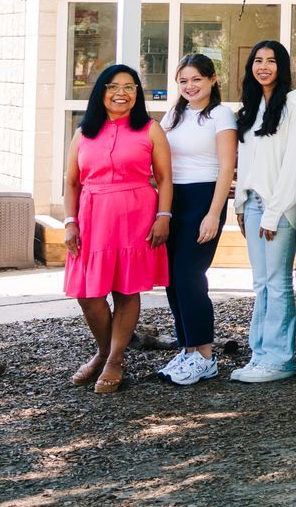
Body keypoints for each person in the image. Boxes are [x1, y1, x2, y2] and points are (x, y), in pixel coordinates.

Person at [63, 64, 172, 394]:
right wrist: (70, 222)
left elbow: (165, 178)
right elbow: (70, 183)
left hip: (135, 217)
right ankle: (103, 351)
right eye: (114, 86)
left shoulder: (150, 129)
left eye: (130, 86)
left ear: (137, 93)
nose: (121, 93)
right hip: (93, 220)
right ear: (101, 91)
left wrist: (164, 215)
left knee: (126, 290)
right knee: (88, 295)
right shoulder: (83, 133)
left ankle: (114, 360)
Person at [230, 40, 296, 383]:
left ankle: (279, 360)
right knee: (260, 283)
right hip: (251, 203)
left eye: (271, 60)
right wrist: (239, 202)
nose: (264, 66)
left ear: (282, 66)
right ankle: (259, 354)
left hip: (280, 206)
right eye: (258, 60)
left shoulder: (294, 104)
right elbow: (247, 161)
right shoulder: (249, 108)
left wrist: (274, 211)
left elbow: (295, 164)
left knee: (278, 284)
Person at [156, 53, 236, 386]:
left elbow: (226, 168)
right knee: (172, 279)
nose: (190, 86)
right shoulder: (173, 116)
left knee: (190, 276)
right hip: (174, 201)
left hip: (204, 199)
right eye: (183, 80)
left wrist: (214, 214)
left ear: (212, 79)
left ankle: (205, 356)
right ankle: (188, 349)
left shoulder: (221, 115)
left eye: (197, 79)